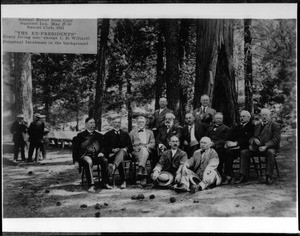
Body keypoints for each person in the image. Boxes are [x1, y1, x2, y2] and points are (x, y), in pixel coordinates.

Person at [235, 108, 281, 185]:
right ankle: (243, 175)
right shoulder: (257, 125)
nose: (264, 117)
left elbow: (275, 140)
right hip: (257, 148)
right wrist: (253, 141)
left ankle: (268, 176)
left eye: (266, 115)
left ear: (270, 116)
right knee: (244, 152)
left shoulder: (275, 125)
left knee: (270, 152)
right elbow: (251, 137)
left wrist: (266, 146)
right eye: (262, 115)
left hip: (269, 148)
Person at [73, 117, 112, 192]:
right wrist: (76, 161)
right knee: (88, 162)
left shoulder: (99, 135)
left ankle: (105, 183)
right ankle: (91, 185)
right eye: (91, 123)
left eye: (94, 123)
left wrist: (101, 152)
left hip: (96, 155)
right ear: (86, 124)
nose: (93, 124)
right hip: (85, 156)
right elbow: (75, 149)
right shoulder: (80, 136)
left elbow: (104, 146)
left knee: (105, 160)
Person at [223, 110, 255, 184]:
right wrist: (228, 142)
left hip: (245, 147)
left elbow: (248, 138)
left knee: (242, 152)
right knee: (228, 152)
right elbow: (230, 136)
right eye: (241, 116)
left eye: (243, 116)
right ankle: (228, 175)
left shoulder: (252, 127)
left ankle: (243, 175)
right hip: (235, 147)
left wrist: (236, 143)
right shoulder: (237, 127)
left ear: (249, 117)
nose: (241, 118)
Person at [104, 116, 133, 189]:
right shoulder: (108, 134)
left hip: (125, 153)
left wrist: (124, 149)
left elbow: (130, 146)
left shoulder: (125, 133)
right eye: (115, 122)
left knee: (121, 152)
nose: (117, 124)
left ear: (121, 124)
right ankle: (123, 181)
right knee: (119, 159)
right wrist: (113, 150)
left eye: (119, 122)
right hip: (112, 154)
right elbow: (105, 146)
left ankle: (114, 166)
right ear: (112, 123)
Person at [129, 116, 155, 186]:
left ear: (145, 123)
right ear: (137, 123)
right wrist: (135, 147)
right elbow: (129, 144)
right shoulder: (132, 132)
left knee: (144, 151)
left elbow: (153, 143)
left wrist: (147, 146)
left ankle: (140, 170)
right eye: (139, 122)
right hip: (136, 151)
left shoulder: (150, 132)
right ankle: (143, 175)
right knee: (143, 152)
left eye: (142, 122)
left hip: (147, 149)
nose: (141, 123)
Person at [205, 112, 230, 177]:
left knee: (220, 154)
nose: (219, 120)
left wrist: (214, 144)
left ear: (222, 119)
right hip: (209, 146)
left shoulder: (226, 128)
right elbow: (206, 137)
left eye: (220, 118)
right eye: (217, 118)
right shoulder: (210, 128)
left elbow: (225, 139)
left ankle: (219, 174)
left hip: (219, 147)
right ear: (214, 119)